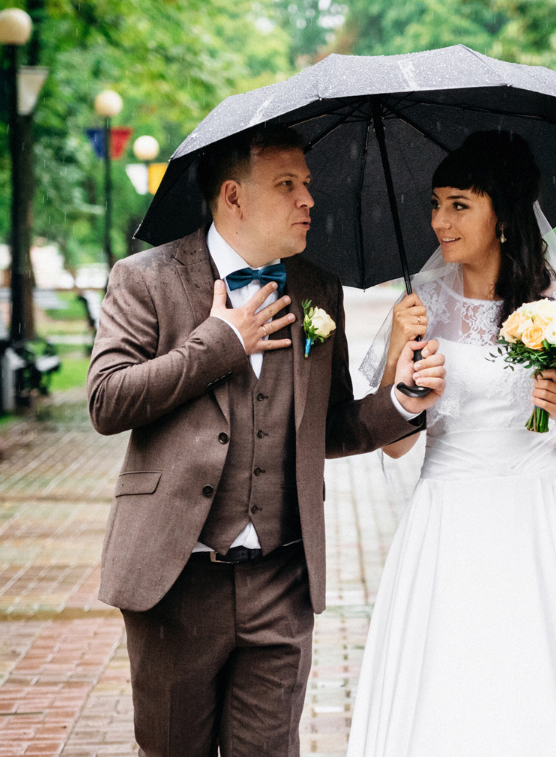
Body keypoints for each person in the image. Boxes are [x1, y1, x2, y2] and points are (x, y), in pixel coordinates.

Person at [86, 125, 446, 757]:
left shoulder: (315, 288)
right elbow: (107, 400)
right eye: (287, 185)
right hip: (176, 582)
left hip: (281, 582)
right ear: (234, 196)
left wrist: (401, 401)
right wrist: (221, 343)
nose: (308, 199)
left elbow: (328, 425)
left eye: (306, 184)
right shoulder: (147, 279)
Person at [347, 130, 556, 756]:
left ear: (502, 214)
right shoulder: (419, 309)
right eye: (435, 204)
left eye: (458, 205)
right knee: (449, 675)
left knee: (534, 675)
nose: (438, 222)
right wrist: (410, 389)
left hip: (535, 514)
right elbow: (393, 446)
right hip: (448, 512)